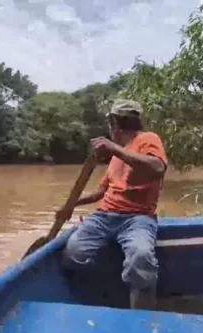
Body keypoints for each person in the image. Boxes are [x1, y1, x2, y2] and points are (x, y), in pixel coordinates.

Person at [57, 99, 168, 310]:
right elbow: (101, 192)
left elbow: (157, 168)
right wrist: (71, 204)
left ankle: (140, 319)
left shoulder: (147, 139)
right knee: (73, 254)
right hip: (104, 216)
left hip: (138, 218)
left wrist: (114, 148)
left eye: (110, 126)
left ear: (114, 125)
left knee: (141, 256)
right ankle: (107, 294)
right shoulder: (116, 156)